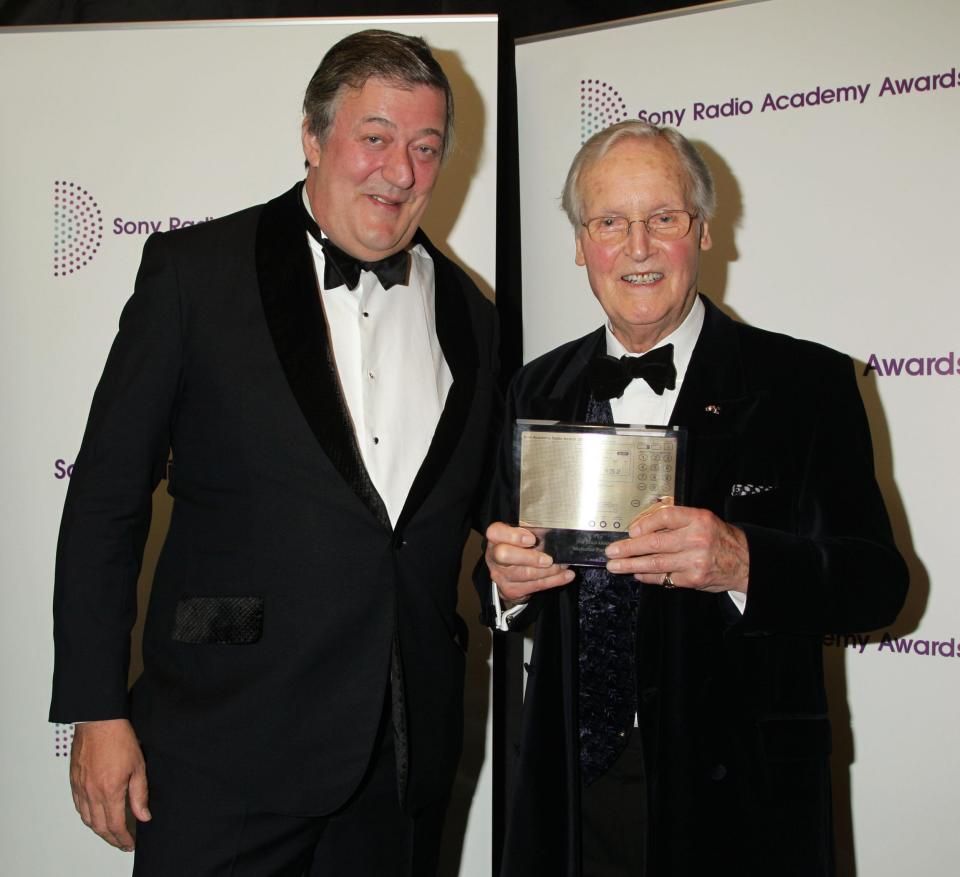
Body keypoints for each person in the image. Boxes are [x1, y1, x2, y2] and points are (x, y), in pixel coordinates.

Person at [50, 29, 498, 876]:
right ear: (312, 136)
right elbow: (105, 499)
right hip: (222, 751)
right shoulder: (195, 273)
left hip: (398, 769)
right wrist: (98, 711)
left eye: (425, 147)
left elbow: (492, 529)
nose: (400, 171)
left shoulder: (476, 321)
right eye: (374, 138)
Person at [479, 120, 908, 877]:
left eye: (663, 218)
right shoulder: (534, 386)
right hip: (574, 787)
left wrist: (745, 561)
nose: (636, 246)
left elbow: (877, 583)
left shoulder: (804, 385)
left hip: (741, 794)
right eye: (610, 221)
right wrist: (503, 585)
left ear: (703, 231)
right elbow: (493, 569)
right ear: (581, 244)